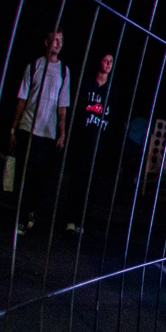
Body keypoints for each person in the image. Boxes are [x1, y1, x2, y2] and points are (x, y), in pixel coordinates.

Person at [10, 29, 72, 234]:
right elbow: (22, 99)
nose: (58, 44)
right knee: (25, 174)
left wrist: (62, 133)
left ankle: (30, 209)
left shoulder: (64, 71)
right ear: (46, 42)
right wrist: (14, 127)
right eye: (55, 40)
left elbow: (62, 107)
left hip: (48, 131)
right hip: (29, 126)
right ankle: (20, 216)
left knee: (41, 177)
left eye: (61, 40)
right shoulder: (34, 66)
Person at [59, 51, 115, 232]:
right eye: (105, 60)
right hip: (83, 140)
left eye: (111, 61)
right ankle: (69, 218)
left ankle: (81, 220)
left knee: (90, 183)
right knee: (77, 179)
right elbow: (78, 111)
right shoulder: (87, 85)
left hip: (98, 144)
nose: (108, 64)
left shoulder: (111, 91)